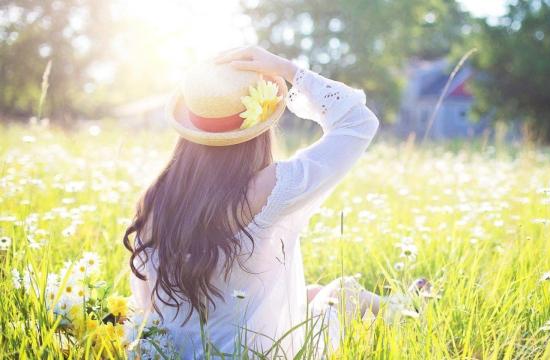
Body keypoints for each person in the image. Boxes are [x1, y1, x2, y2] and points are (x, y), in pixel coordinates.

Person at [123, 46, 426, 358]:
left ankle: (404, 303)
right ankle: (409, 308)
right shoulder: (266, 189)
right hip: (253, 353)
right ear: (260, 127)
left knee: (311, 295)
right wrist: (289, 70)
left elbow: (146, 304)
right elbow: (358, 122)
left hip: (173, 352)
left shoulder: (155, 196)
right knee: (342, 293)